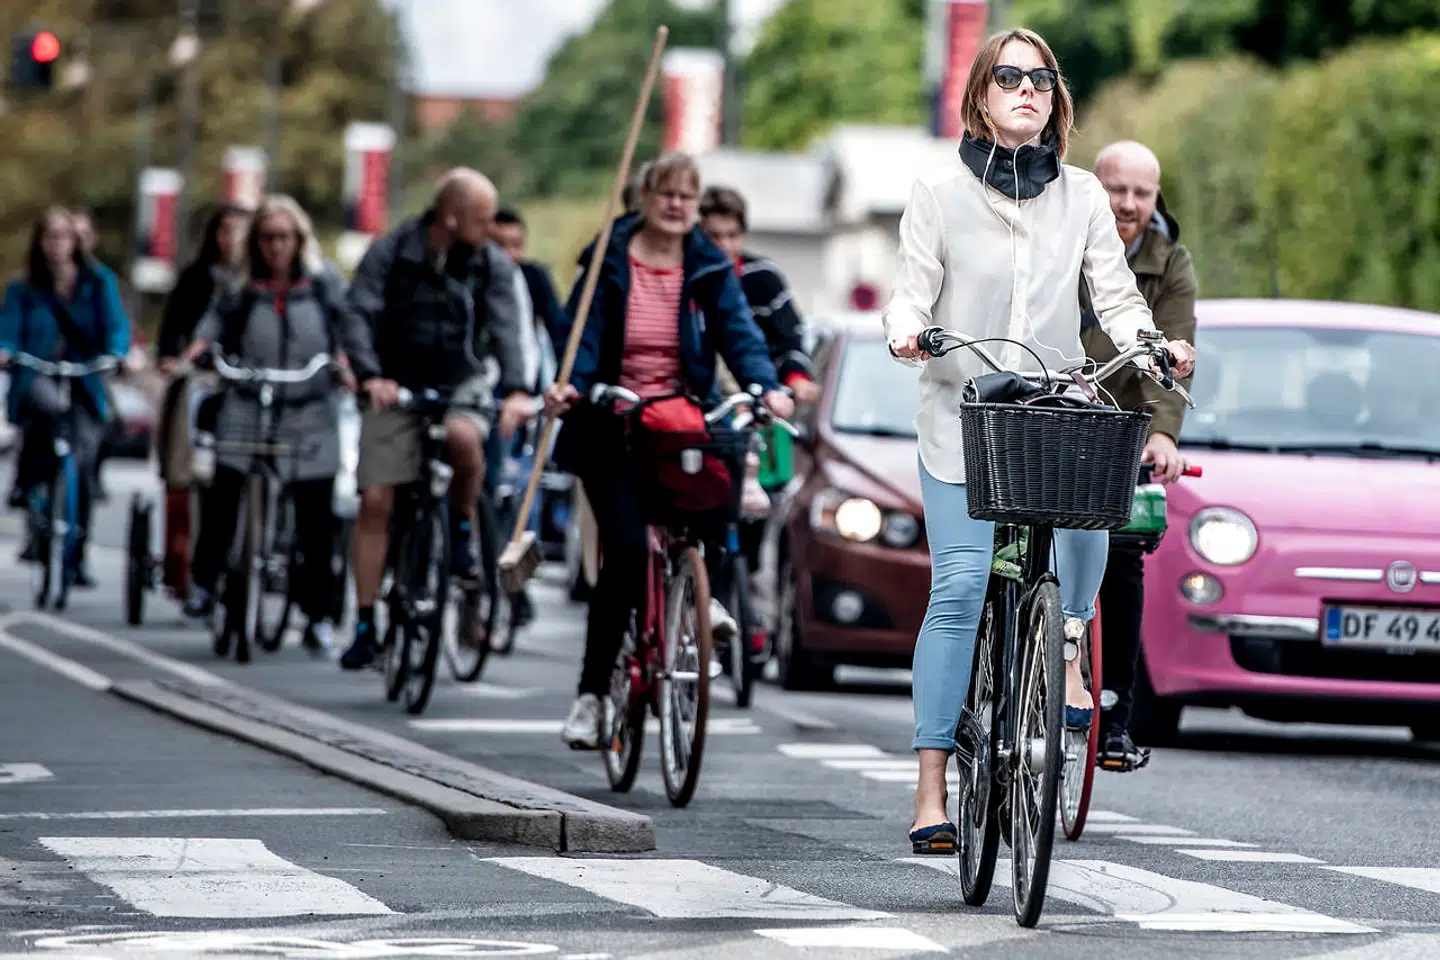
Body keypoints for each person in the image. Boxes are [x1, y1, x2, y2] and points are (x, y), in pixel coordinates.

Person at [883, 29, 1195, 851]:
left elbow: (1116, 295)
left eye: (1043, 78)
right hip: (962, 415)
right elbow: (910, 291)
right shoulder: (938, 192)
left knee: (1095, 509)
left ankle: (1068, 643)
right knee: (959, 587)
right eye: (1010, 76)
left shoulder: (1083, 196)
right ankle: (930, 788)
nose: (1028, 88)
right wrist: (908, 331)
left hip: (1051, 403)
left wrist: (1152, 345)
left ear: (1057, 100)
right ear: (980, 95)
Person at [542, 151, 794, 750]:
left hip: (681, 418)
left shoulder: (709, 265)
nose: (677, 205)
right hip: (612, 422)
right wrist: (572, 386)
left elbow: (740, 335)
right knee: (627, 552)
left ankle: (701, 600)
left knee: (718, 495)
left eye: (687, 196)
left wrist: (767, 386)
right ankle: (591, 696)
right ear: (644, 198)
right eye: (667, 194)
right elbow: (582, 335)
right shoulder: (607, 260)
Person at [339, 168, 533, 670]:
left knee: (465, 440)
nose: (491, 229)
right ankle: (365, 624)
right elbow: (358, 314)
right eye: (482, 219)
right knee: (377, 500)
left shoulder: (490, 263)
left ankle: (462, 532)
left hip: (460, 380)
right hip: (393, 382)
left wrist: (516, 389)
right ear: (450, 217)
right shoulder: (390, 252)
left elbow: (508, 326)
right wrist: (370, 375)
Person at [179, 195, 371, 651]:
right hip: (248, 401)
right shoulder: (239, 285)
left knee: (316, 515)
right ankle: (206, 582)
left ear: (300, 239)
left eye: (284, 237)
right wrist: (201, 349)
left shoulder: (324, 283)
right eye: (267, 238)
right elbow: (212, 323)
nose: (276, 247)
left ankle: (318, 613)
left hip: (309, 407)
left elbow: (349, 326)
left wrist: (349, 363)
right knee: (224, 491)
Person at [1079, 140, 1198, 763]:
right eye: (1116, 189)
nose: (1127, 204)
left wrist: (1162, 434)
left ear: (1155, 198)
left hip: (1121, 429)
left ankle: (1114, 716)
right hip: (1047, 412)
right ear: (1092, 187)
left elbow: (1174, 349)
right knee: (1008, 549)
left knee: (1123, 558)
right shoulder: (1062, 237)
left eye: (1141, 193)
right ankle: (993, 680)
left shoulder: (1169, 262)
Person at [0, 207, 131, 585]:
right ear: (39, 242)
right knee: (45, 409)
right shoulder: (24, 288)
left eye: (64, 236)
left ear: (76, 242)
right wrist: (6, 350)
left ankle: (77, 555)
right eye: (50, 236)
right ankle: (28, 482)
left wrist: (119, 354)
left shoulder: (98, 282)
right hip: (38, 370)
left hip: (83, 375)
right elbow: (9, 328)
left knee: (84, 462)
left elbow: (116, 326)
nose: (57, 244)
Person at [488, 207, 570, 628]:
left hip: (524, 401)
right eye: (499, 245)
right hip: (482, 396)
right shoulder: (475, 275)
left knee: (524, 493)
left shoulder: (533, 279)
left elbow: (557, 332)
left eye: (516, 246)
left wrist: (560, 385)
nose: (509, 255)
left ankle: (516, 582)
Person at [699, 186, 820, 405]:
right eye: (715, 236)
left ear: (744, 234)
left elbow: (788, 337)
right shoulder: (689, 278)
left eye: (732, 235)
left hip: (759, 398)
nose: (724, 245)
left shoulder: (762, 277)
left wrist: (795, 377)